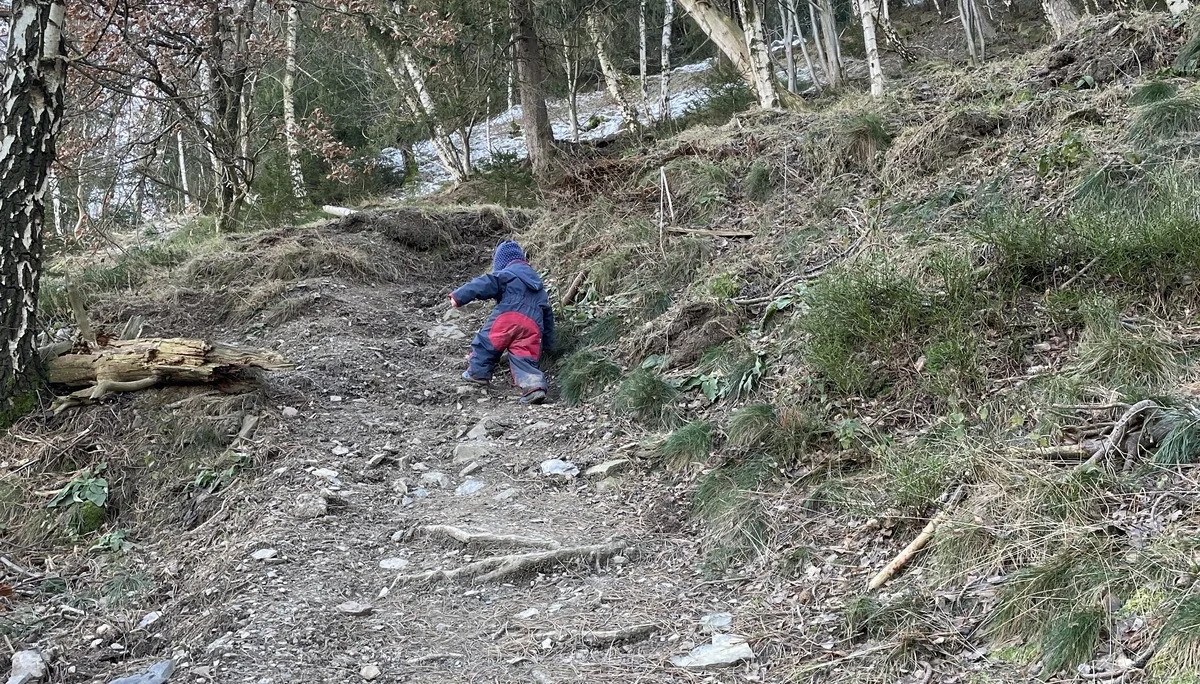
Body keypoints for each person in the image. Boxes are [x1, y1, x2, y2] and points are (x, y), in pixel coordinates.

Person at [450, 241, 553, 404]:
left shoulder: (506, 274)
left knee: (486, 343)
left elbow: (482, 284)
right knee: (524, 357)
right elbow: (548, 317)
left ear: (501, 263)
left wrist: (458, 297)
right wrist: (548, 344)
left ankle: (477, 374)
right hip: (532, 325)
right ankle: (534, 388)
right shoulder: (539, 288)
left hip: (508, 317)